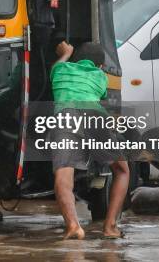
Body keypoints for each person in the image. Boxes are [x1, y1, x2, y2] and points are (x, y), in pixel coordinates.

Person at [50, 41, 129, 240]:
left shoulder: (59, 70)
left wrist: (66, 53)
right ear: (100, 66)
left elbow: (56, 66)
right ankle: (110, 227)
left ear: (74, 60)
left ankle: (73, 226)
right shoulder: (100, 76)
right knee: (122, 170)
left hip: (65, 118)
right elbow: (102, 96)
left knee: (63, 178)